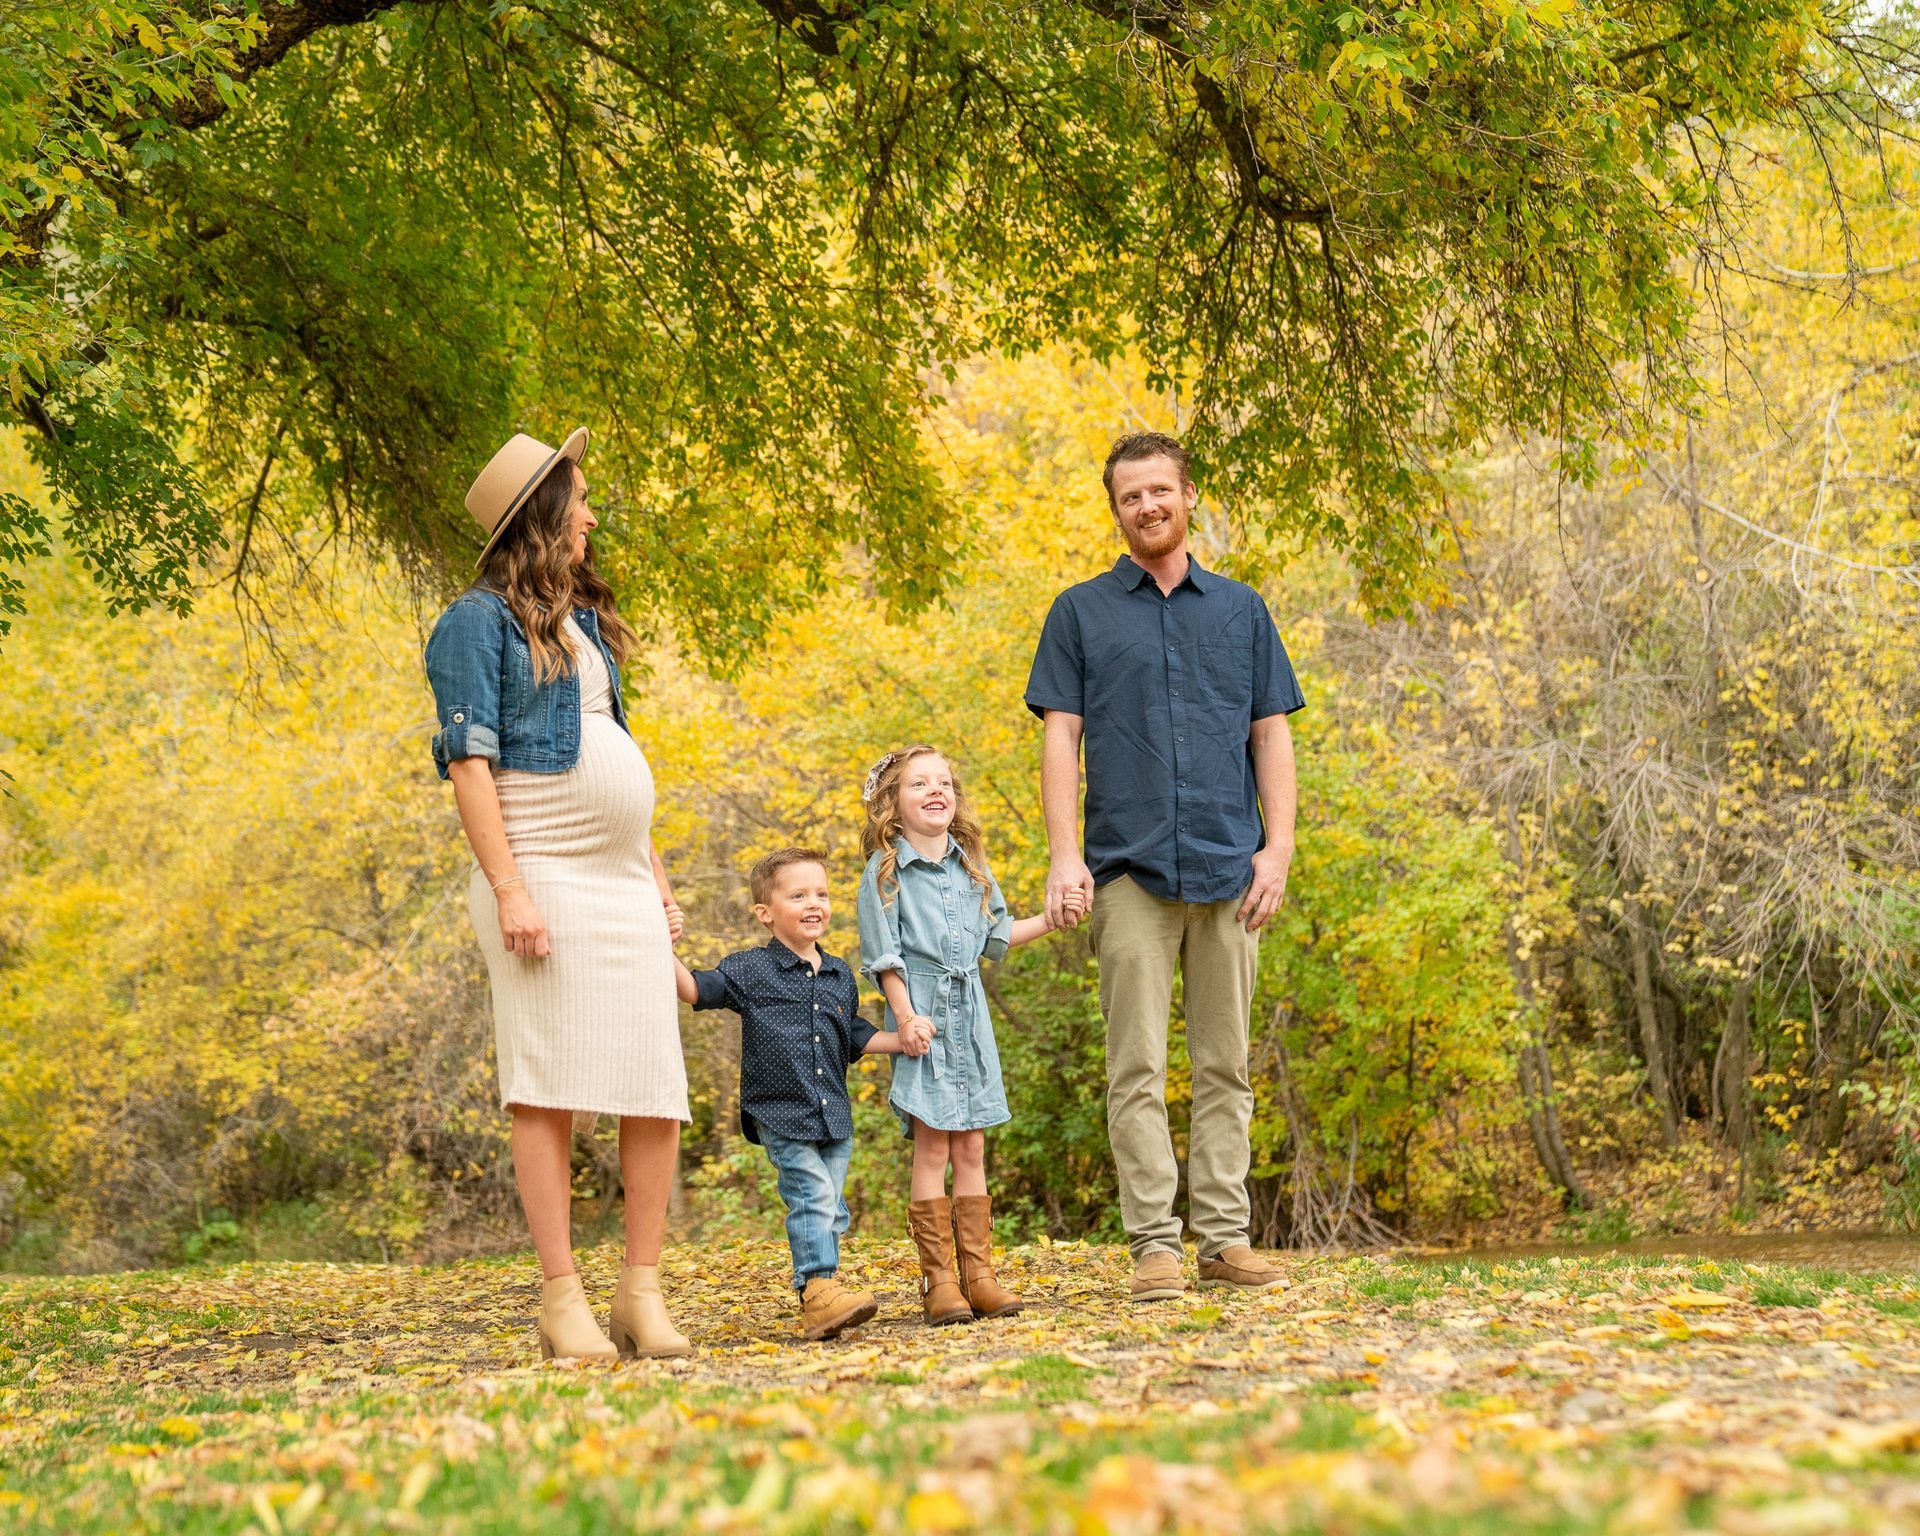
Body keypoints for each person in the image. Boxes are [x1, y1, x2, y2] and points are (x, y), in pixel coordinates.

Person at [424, 428, 691, 1362]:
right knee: (547, 1085)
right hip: (540, 868)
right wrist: (510, 889)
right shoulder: (473, 621)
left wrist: (655, 883)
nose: (588, 515)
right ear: (540, 514)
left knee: (654, 1081)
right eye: (576, 500)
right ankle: (561, 1298)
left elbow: (619, 757)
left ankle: (641, 1293)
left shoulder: (580, 622)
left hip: (617, 879)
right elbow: (470, 763)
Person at [1024, 430, 1305, 1302]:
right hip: (1126, 871)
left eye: (1158, 491)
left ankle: (1224, 1240)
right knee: (1134, 1068)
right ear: (1116, 511)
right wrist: (1065, 856)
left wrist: (1280, 848)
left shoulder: (1242, 611)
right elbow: (1061, 737)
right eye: (1128, 497)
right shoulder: (1079, 613)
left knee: (1228, 1066)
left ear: (1188, 497)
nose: (1145, 506)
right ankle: (1155, 1246)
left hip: (1231, 867)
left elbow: (1271, 732)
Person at [856, 746, 1073, 1325]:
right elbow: (884, 958)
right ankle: (939, 1282)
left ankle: (981, 1277)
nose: (936, 790)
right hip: (923, 1016)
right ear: (893, 806)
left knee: (972, 1145)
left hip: (969, 1016)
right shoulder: (883, 875)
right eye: (919, 783)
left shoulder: (969, 866)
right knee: (933, 1146)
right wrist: (904, 1017)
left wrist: (1053, 918)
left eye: (945, 782)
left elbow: (996, 936)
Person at [672, 848, 924, 1340]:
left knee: (831, 1206)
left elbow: (852, 1035)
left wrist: (902, 1039)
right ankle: (819, 1290)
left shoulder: (838, 976)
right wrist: (663, 947)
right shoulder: (749, 970)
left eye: (822, 894)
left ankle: (817, 1298)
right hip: (780, 1110)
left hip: (832, 1112)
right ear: (765, 913)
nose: (815, 904)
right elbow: (695, 990)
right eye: (798, 895)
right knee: (811, 1195)